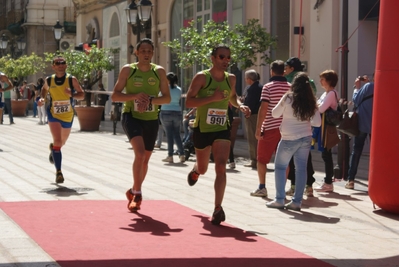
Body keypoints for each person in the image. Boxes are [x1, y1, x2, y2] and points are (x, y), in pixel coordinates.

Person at [185, 44, 249, 225]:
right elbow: (189, 101)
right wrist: (212, 98)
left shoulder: (231, 79)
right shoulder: (202, 77)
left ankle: (217, 208)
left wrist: (240, 105)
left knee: (221, 166)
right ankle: (196, 170)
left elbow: (232, 97)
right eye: (222, 57)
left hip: (222, 128)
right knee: (204, 169)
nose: (226, 61)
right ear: (213, 58)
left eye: (228, 57)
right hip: (202, 129)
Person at [111, 38, 170, 213]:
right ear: (136, 52)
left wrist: (151, 100)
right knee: (140, 153)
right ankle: (137, 194)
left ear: (153, 53)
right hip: (131, 115)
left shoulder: (159, 71)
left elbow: (166, 98)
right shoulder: (128, 70)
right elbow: (115, 96)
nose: (146, 53)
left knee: (145, 160)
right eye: (142, 51)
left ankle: (132, 189)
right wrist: (135, 97)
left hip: (151, 118)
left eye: (149, 51)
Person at [266, 72, 321, 211]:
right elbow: (317, 123)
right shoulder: (311, 101)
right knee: (301, 169)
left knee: (280, 167)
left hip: (288, 138)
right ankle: (297, 202)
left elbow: (274, 113)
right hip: (305, 138)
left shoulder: (288, 97)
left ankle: (279, 199)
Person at [37, 56, 85, 183]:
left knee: (61, 143)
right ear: (53, 66)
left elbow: (82, 95)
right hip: (53, 114)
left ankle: (54, 149)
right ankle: (59, 172)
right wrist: (42, 99)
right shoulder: (49, 80)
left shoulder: (71, 79)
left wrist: (72, 94)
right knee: (58, 141)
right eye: (57, 63)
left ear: (66, 65)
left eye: (62, 63)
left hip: (68, 115)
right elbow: (44, 89)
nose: (60, 65)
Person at [250, 60, 291, 198]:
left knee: (262, 159)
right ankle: (281, 190)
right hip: (286, 129)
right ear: (284, 71)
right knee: (284, 161)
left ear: (272, 71)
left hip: (270, 128)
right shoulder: (290, 87)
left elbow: (264, 109)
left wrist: (258, 128)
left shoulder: (267, 87)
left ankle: (262, 187)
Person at [284, 57, 317, 197]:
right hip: (307, 124)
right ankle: (309, 186)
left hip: (291, 125)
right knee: (306, 157)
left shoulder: (289, 81)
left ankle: (294, 186)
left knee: (292, 157)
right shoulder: (310, 82)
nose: (285, 70)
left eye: (286, 68)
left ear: (292, 68)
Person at [345, 75, 374, 189]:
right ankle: (374, 180)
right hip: (376, 125)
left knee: (356, 151)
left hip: (362, 123)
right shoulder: (381, 87)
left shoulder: (368, 86)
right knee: (376, 153)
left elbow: (356, 100)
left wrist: (357, 87)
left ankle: (351, 180)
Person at [314, 69, 340, 192]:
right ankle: (328, 181)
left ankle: (328, 182)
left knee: (326, 154)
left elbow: (320, 109)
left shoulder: (331, 94)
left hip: (326, 127)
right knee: (325, 154)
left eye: (323, 79)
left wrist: (318, 105)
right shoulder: (327, 93)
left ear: (329, 81)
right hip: (323, 126)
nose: (320, 81)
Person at [159, 72, 185, 163]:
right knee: (177, 134)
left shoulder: (164, 89)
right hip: (177, 112)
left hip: (166, 111)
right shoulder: (179, 89)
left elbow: (159, 98)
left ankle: (170, 155)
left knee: (169, 134)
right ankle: (182, 154)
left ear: (168, 80)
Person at [242, 69, 262, 168]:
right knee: (258, 138)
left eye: (246, 78)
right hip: (259, 114)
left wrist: (245, 109)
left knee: (252, 138)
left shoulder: (252, 89)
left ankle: (254, 160)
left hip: (252, 115)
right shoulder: (261, 87)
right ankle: (259, 159)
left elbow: (250, 103)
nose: (245, 80)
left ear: (249, 79)